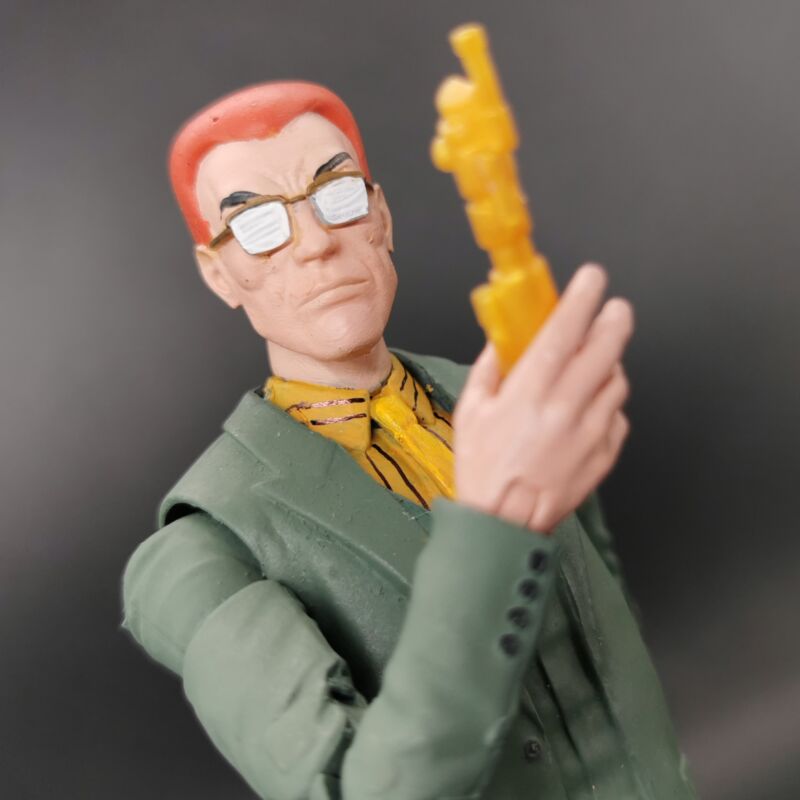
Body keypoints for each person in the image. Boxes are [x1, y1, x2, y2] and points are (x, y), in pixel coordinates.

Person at [122, 81, 696, 800]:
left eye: (336, 195)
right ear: (220, 274)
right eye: (260, 224)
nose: (317, 243)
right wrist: (494, 531)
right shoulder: (199, 552)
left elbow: (607, 617)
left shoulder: (505, 402)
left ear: (381, 217)